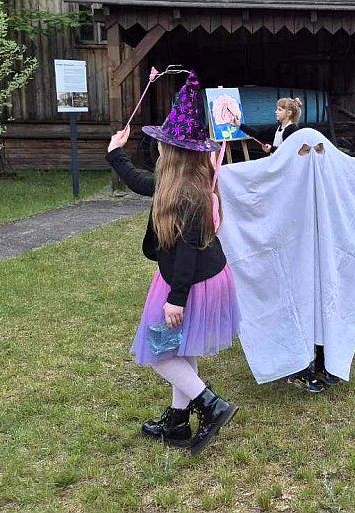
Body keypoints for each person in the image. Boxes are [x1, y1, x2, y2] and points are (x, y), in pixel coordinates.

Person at [105, 72, 240, 455]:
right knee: (181, 347)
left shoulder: (188, 194)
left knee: (160, 351)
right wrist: (116, 153)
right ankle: (178, 422)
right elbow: (141, 183)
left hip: (190, 280)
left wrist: (176, 298)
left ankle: (210, 405)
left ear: (174, 151)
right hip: (202, 276)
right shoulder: (180, 182)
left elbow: (186, 250)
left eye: (164, 143)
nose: (159, 148)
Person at [216, 129, 355, 392]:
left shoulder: (333, 182)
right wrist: (216, 175)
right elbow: (250, 183)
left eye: (319, 151)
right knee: (296, 304)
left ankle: (327, 362)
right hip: (293, 263)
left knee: (325, 306)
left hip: (324, 263)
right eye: (305, 152)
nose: (313, 159)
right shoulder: (281, 182)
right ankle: (297, 365)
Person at [230, 98, 301, 154]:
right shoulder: (277, 127)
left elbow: (289, 151)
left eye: (279, 110)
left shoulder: (292, 130)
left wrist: (271, 149)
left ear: (289, 113)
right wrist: (239, 124)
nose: (276, 112)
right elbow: (259, 134)